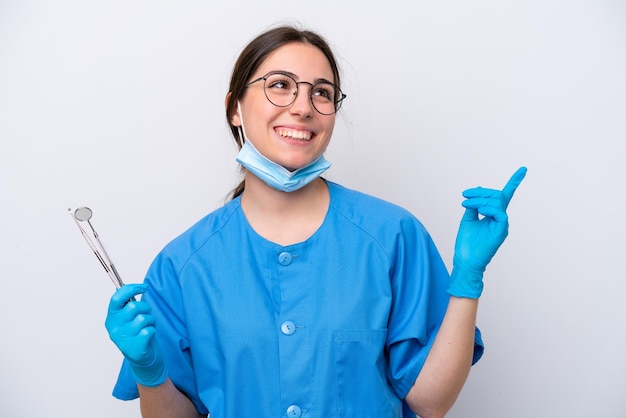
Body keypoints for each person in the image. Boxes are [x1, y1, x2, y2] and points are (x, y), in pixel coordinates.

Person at [105, 24, 527, 418]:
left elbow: (431, 400)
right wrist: (150, 371)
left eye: (322, 93)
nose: (303, 107)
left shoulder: (392, 236)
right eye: (280, 86)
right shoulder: (183, 265)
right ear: (234, 108)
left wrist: (468, 279)